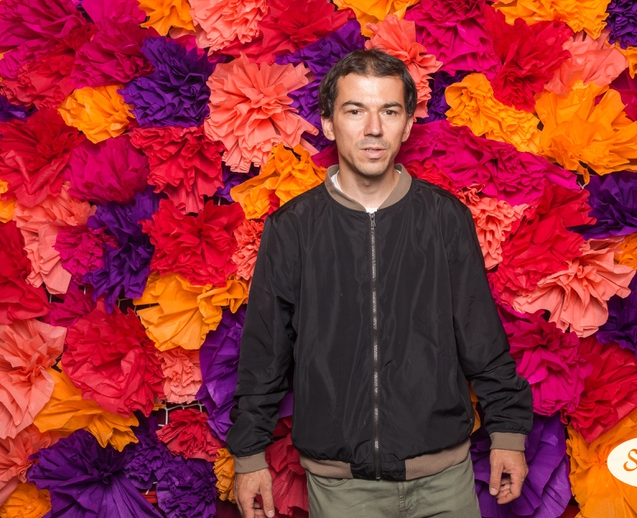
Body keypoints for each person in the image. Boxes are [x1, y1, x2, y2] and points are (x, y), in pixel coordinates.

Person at [226, 49, 533, 518]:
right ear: (328, 123)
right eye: (355, 110)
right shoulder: (293, 227)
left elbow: (481, 336)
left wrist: (508, 433)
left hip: (445, 480)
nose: (373, 128)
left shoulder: (444, 217)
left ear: (407, 125)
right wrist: (249, 456)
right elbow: (265, 351)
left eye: (389, 111)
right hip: (342, 489)